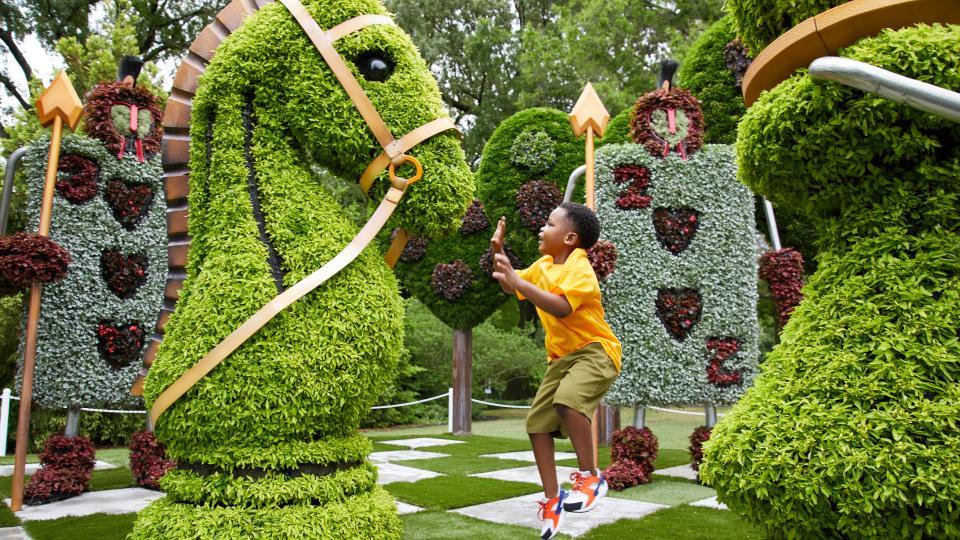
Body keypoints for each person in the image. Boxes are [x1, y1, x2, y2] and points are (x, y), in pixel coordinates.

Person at [490, 202, 621, 539]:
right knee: (536, 424)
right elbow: (512, 286)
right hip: (560, 359)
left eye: (549, 224)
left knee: (567, 402)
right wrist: (500, 256)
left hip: (596, 351)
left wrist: (518, 278)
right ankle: (553, 499)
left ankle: (591, 476)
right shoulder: (544, 264)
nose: (541, 229)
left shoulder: (580, 268)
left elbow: (562, 308)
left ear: (570, 238)